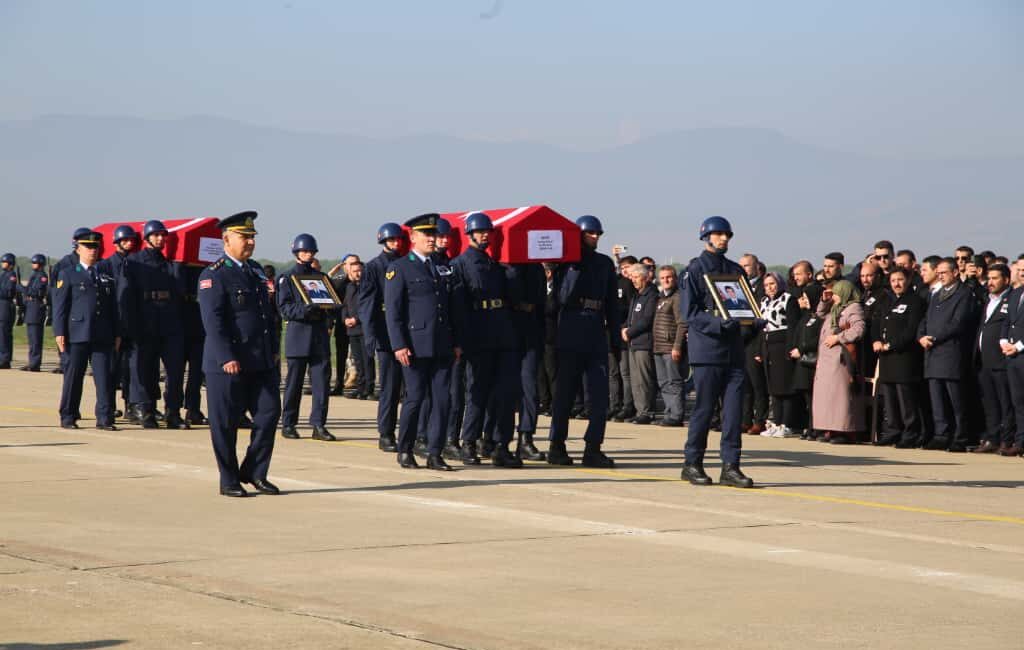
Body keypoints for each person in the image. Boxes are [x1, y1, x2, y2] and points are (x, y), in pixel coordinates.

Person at [198, 211, 282, 497]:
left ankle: (255, 472)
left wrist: (273, 351)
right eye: (244, 237)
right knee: (225, 423)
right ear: (226, 239)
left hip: (260, 359)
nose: (250, 243)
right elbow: (213, 320)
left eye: (252, 238)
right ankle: (229, 478)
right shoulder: (214, 275)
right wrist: (226, 356)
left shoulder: (256, 271)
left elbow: (268, 316)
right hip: (228, 362)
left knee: (270, 413)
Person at [680, 216, 758, 487]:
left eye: (727, 234)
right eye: (718, 234)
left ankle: (731, 465)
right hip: (708, 350)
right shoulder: (695, 269)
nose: (724, 238)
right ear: (706, 237)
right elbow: (690, 313)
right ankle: (692, 463)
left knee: (734, 412)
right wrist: (717, 323)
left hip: (734, 350)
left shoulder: (736, 270)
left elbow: (747, 305)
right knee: (703, 410)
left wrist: (752, 324)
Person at [384, 213, 460, 471]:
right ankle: (405, 449)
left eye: (434, 234)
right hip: (414, 346)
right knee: (415, 399)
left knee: (442, 401)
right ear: (413, 237)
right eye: (427, 234)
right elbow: (393, 312)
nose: (432, 238)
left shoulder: (440, 267)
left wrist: (456, 342)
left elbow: (448, 309)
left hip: (441, 345)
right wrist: (398, 345)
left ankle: (435, 453)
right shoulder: (400, 268)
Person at [546, 215, 620, 468]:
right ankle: (557, 445)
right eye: (590, 233)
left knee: (599, 396)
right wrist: (573, 265)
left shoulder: (604, 263)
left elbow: (612, 302)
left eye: (598, 233)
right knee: (564, 395)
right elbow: (562, 298)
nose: (595, 238)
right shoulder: (566, 263)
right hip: (569, 330)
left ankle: (593, 448)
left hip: (595, 332)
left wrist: (615, 341)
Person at [451, 212, 522, 467]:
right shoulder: (460, 264)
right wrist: (461, 340)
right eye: (479, 232)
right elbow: (458, 307)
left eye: (487, 232)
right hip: (478, 335)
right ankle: (468, 441)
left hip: (502, 332)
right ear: (469, 234)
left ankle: (501, 445)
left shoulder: (495, 265)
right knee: (477, 392)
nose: (484, 235)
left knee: (505, 394)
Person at [51, 230, 120, 430]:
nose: (92, 251)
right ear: (78, 248)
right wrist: (59, 332)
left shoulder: (105, 275)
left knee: (105, 377)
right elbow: (60, 306)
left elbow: (113, 309)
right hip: (77, 333)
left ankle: (105, 418)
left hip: (102, 334)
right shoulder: (68, 273)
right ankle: (68, 415)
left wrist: (116, 333)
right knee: (74, 377)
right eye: (88, 247)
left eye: (95, 247)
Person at [126, 219, 188, 429]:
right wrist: (131, 325)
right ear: (147, 238)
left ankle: (173, 411)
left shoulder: (169, 264)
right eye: (156, 235)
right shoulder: (135, 263)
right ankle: (146, 409)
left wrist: (178, 266)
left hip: (170, 324)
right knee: (144, 368)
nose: (160, 239)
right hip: (145, 322)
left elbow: (180, 293)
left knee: (175, 370)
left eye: (163, 235)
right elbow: (126, 296)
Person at [277, 233, 337, 441]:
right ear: (296, 252)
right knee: (294, 384)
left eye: (311, 251)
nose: (308, 254)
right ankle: (289, 423)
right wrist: (305, 309)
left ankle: (319, 425)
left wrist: (331, 309)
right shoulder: (287, 278)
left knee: (321, 384)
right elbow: (284, 308)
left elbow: (334, 304)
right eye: (304, 251)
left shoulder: (322, 278)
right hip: (298, 336)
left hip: (319, 337)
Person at [917, 258, 977, 452]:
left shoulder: (964, 294)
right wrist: (921, 336)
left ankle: (960, 436)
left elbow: (958, 323)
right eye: (939, 272)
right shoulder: (936, 295)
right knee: (937, 399)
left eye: (944, 272)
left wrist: (934, 337)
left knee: (956, 400)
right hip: (933, 354)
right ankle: (941, 435)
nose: (940, 276)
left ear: (955, 273)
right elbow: (925, 319)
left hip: (951, 353)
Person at [358, 222, 406, 452]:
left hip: (407, 331)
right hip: (385, 333)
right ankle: (386, 433)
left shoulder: (405, 263)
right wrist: (371, 335)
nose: (395, 243)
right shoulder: (374, 267)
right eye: (391, 240)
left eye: (398, 239)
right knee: (390, 386)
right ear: (383, 241)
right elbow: (367, 304)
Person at [872, 268, 926, 447]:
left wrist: (892, 345)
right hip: (886, 359)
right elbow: (877, 323)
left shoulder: (915, 301)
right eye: (893, 280)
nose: (897, 283)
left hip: (904, 358)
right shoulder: (887, 301)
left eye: (900, 279)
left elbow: (911, 330)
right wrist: (876, 340)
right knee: (890, 398)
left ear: (908, 280)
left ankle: (910, 433)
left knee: (906, 399)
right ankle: (893, 430)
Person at [811, 279, 866, 445]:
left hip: (840, 358)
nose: (833, 296)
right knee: (827, 397)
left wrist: (838, 337)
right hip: (827, 360)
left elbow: (859, 329)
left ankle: (844, 430)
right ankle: (829, 428)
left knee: (840, 396)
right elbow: (820, 313)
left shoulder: (853, 308)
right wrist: (824, 300)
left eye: (835, 293)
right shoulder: (835, 309)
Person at [972, 264, 1014, 454]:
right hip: (984, 361)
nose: (991, 282)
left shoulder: (1011, 299)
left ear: (1006, 279)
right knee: (989, 403)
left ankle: (1007, 439)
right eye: (989, 278)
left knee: (1005, 403)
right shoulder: (989, 300)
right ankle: (992, 438)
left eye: (995, 278)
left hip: (1001, 361)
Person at [757, 272, 800, 438]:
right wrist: (760, 350)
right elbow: (761, 327)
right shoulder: (764, 301)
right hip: (768, 346)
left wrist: (791, 348)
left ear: (779, 283)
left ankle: (787, 424)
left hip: (783, 345)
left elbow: (793, 325)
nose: (770, 288)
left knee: (786, 387)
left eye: (772, 284)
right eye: (767, 285)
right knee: (773, 388)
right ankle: (776, 423)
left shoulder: (789, 299)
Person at [104, 225, 139, 419]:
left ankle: (130, 406)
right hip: (113, 322)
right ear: (117, 242)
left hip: (130, 323)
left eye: (131, 240)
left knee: (130, 369)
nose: (129, 243)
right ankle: (108, 405)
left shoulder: (135, 264)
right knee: (111, 368)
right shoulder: (107, 265)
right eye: (125, 240)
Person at [787, 263, 822, 440]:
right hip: (801, 361)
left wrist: (801, 349)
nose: (804, 300)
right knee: (806, 398)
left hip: (811, 360)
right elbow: (798, 332)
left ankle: (815, 427)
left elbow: (818, 338)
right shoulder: (806, 315)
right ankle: (809, 426)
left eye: (808, 298)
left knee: (814, 398)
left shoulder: (820, 317)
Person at [621, 263, 658, 424]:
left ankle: (646, 412)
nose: (633, 281)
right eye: (632, 277)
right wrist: (624, 328)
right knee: (635, 380)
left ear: (645, 277)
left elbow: (647, 319)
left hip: (644, 343)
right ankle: (639, 410)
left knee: (644, 380)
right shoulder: (637, 295)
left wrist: (629, 332)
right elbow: (631, 317)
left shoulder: (651, 295)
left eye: (636, 277)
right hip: (633, 343)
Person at [652, 265, 687, 427]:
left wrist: (677, 346)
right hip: (658, 347)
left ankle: (677, 414)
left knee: (674, 381)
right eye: (663, 277)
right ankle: (669, 412)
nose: (666, 280)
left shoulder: (678, 297)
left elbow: (682, 323)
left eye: (669, 277)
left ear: (675, 278)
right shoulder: (660, 298)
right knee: (663, 382)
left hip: (670, 347)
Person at [609, 255, 637, 422]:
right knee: (613, 373)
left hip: (624, 333)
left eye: (627, 267)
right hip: (610, 334)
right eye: (622, 267)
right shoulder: (614, 282)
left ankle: (628, 406)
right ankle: (614, 405)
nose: (624, 270)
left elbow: (631, 308)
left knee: (625, 373)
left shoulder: (629, 284)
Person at [1000, 271, 1024, 456]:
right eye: (1020, 270)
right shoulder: (1015, 294)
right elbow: (1007, 321)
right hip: (1012, 355)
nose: (1022, 273)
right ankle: (1020, 440)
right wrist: (1003, 341)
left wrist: (1018, 346)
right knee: (1017, 401)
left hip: (1021, 351)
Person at [181, 263, 208, 426]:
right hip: (179, 322)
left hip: (199, 322)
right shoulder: (175, 263)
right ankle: (173, 409)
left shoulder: (207, 266)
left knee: (197, 372)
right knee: (175, 373)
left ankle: (193, 409)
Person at [341, 260, 372, 399]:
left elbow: (368, 307)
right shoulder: (349, 287)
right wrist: (345, 319)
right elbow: (345, 306)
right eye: (354, 272)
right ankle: (360, 387)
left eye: (359, 271)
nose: (357, 274)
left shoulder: (368, 286)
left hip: (364, 328)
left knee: (367, 360)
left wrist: (356, 319)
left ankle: (368, 388)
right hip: (352, 330)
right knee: (358, 361)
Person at [19, 254, 48, 371]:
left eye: (34, 263)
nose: (33, 265)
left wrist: (22, 288)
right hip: (31, 308)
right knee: (31, 338)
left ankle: (35, 363)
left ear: (40, 264)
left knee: (36, 339)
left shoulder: (42, 276)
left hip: (36, 308)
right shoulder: (34, 275)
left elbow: (36, 291)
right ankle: (32, 362)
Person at [0, 253, 20, 369]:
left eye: (5, 262)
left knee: (4, 334)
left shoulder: (11, 276)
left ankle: (5, 359)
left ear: (10, 264)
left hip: (6, 307)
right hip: (2, 306)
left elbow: (8, 292)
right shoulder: (3, 275)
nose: (3, 264)